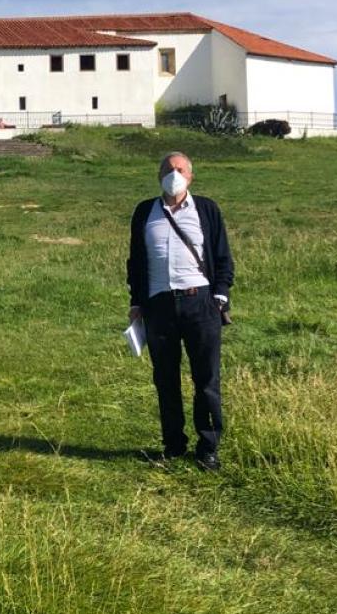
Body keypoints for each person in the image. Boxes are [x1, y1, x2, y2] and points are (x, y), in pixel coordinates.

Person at [126, 151, 233, 471]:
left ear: (191, 176)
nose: (174, 173)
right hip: (159, 305)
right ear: (158, 175)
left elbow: (223, 257)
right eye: (168, 169)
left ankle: (208, 446)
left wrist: (220, 296)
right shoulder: (145, 212)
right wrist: (136, 302)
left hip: (200, 301)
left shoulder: (207, 210)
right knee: (165, 379)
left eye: (180, 169)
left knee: (206, 378)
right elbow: (135, 261)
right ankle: (173, 444)